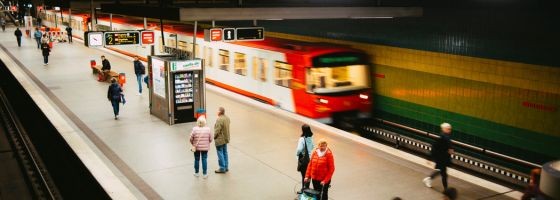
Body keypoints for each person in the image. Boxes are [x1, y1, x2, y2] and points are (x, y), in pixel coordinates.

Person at [423, 122, 454, 190]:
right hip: (441, 158)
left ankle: (429, 179)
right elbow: (434, 148)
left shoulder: (445, 136)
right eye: (448, 129)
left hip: (443, 158)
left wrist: (450, 149)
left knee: (441, 171)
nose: (450, 130)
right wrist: (429, 158)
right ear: (444, 129)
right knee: (444, 174)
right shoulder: (442, 137)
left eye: (450, 129)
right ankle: (446, 189)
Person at [296, 124, 314, 193]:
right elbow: (312, 146)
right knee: (308, 175)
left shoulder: (302, 139)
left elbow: (299, 149)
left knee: (304, 176)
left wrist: (298, 154)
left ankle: (304, 190)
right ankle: (306, 189)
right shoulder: (310, 138)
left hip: (304, 160)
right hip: (309, 159)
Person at [214, 107, 230, 173]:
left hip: (220, 139)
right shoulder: (227, 118)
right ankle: (226, 167)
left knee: (220, 152)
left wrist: (214, 136)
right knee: (225, 152)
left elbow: (217, 130)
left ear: (220, 112)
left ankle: (222, 168)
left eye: (217, 110)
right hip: (226, 138)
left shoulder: (219, 119)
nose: (217, 112)